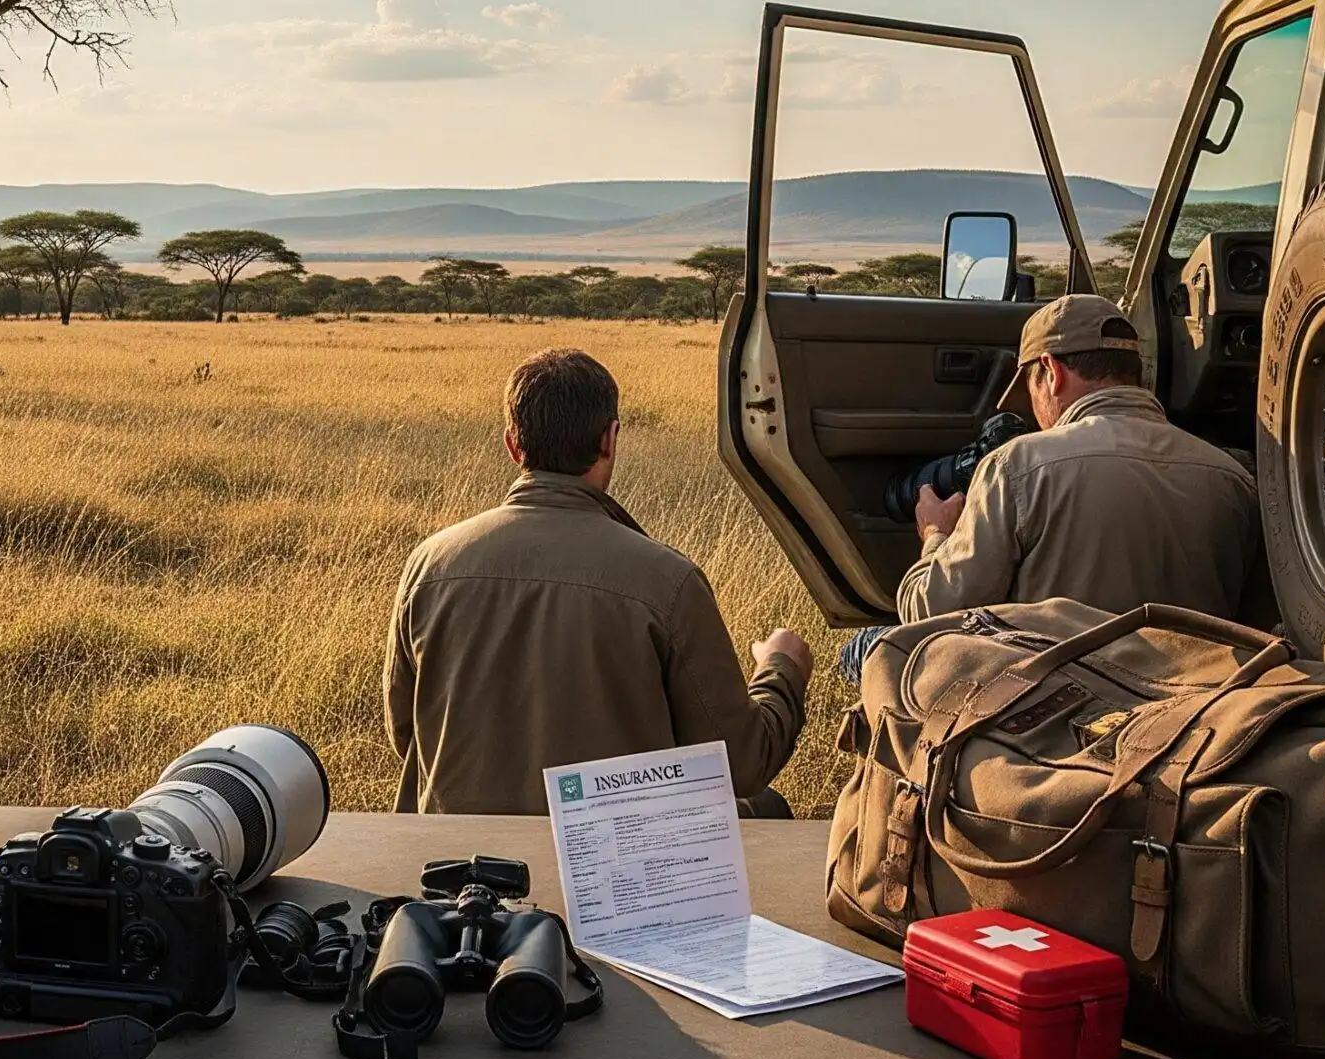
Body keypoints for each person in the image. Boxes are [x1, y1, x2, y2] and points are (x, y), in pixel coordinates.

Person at [385, 348, 811, 815]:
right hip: (615, 869)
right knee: (766, 807)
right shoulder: (668, 579)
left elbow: (406, 734)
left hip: (455, 871)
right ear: (610, 439)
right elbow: (741, 766)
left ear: (511, 445)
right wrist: (781, 669)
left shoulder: (428, 564)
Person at [898, 294, 1262, 623]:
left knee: (866, 647)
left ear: (1052, 373)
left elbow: (932, 615)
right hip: (1204, 692)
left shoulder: (1016, 467)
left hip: (1066, 695)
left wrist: (936, 534)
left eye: (1031, 392)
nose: (1035, 415)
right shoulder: (1233, 478)